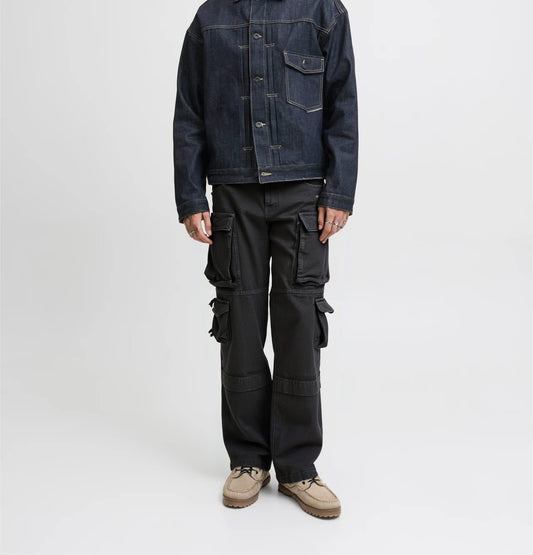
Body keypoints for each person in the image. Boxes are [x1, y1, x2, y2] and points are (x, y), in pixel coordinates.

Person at [172, 0, 358, 519]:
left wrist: (339, 191)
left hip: (304, 194)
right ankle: (248, 460)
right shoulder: (209, 19)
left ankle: (298, 466)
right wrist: (191, 197)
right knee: (239, 322)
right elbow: (189, 113)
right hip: (233, 193)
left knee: (300, 322)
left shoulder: (323, 11)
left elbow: (343, 103)